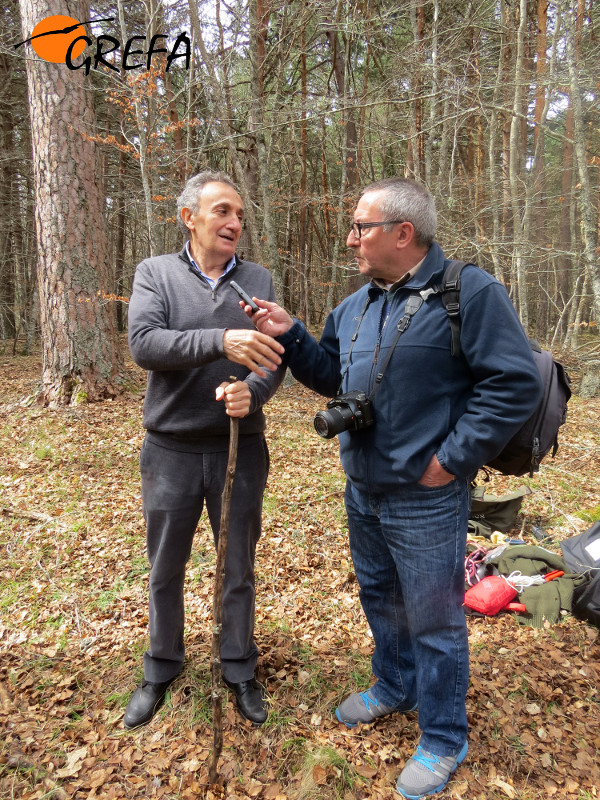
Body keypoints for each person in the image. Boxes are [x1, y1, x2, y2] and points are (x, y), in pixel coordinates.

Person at [243, 178, 542, 798]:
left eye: (361, 227)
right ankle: (394, 685)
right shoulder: (355, 307)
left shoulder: (468, 291)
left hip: (428, 494)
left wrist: (451, 460)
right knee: (380, 595)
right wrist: (292, 331)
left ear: (402, 233)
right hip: (363, 487)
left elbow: (513, 383)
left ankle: (441, 735)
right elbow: (330, 376)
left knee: (434, 619)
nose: (351, 238)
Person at [124, 171, 286, 729]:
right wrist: (220, 341)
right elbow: (145, 344)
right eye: (222, 211)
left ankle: (239, 666)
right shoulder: (156, 274)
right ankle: (161, 666)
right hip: (169, 450)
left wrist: (252, 391)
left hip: (239, 450)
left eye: (239, 214)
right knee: (165, 567)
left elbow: (273, 357)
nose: (235, 223)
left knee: (237, 565)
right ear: (189, 217)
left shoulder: (257, 278)